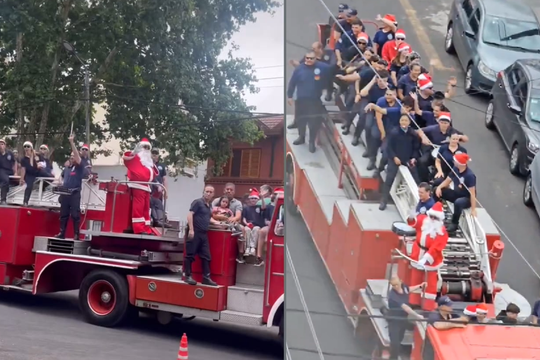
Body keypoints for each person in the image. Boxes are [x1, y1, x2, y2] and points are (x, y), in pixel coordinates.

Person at [287, 51, 332, 153]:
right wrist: (289, 96)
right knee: (300, 120)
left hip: (314, 101)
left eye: (311, 58)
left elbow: (330, 76)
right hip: (301, 100)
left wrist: (328, 91)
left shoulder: (323, 68)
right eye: (307, 58)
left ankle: (311, 142)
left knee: (313, 122)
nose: (308, 60)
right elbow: (292, 83)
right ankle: (301, 137)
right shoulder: (299, 69)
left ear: (315, 59)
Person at [406, 202, 449, 310]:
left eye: (435, 217)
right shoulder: (424, 220)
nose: (433, 219)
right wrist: (411, 217)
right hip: (417, 253)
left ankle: (427, 306)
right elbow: (414, 223)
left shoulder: (442, 232)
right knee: (415, 279)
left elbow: (436, 247)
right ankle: (413, 302)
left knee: (430, 284)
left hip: (432, 260)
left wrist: (426, 259)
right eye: (431, 216)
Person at [379, 114, 421, 211]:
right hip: (395, 159)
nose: (404, 122)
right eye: (402, 120)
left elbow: (416, 148)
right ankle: (383, 200)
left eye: (406, 121)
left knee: (416, 178)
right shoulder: (394, 132)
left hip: (407, 159)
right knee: (389, 178)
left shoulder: (413, 134)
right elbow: (389, 147)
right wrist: (394, 157)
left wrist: (413, 158)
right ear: (399, 121)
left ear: (409, 122)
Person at [122, 137, 159, 235]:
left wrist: (153, 162)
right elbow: (126, 158)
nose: (146, 149)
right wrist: (134, 152)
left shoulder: (148, 161)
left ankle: (146, 228)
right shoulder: (136, 157)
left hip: (147, 187)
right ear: (140, 147)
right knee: (138, 208)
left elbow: (154, 173)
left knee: (146, 209)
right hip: (138, 186)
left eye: (148, 147)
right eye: (144, 147)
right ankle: (139, 228)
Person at [185, 185, 218, 286]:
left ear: (213, 194)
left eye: (210, 192)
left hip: (204, 234)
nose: (208, 193)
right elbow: (190, 214)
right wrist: (191, 230)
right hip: (195, 231)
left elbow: (208, 218)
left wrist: (218, 223)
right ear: (203, 192)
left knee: (206, 256)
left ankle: (206, 278)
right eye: (207, 191)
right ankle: (188, 276)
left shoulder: (209, 206)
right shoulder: (198, 202)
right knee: (190, 255)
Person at [434, 153, 476, 233]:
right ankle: (434, 211)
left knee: (458, 203)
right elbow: (447, 180)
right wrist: (439, 188)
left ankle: (454, 223)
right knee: (437, 190)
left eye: (455, 161)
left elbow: (472, 194)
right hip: (457, 193)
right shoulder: (455, 169)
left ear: (460, 163)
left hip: (466, 198)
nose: (453, 161)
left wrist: (473, 210)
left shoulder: (470, 176)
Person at [386, 276, 424, 360]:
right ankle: (393, 358)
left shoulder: (404, 287)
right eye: (393, 285)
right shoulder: (393, 296)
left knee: (400, 338)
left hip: (403, 319)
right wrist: (417, 316)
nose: (396, 286)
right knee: (395, 342)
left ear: (401, 281)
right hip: (394, 321)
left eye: (397, 284)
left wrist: (420, 286)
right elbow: (406, 308)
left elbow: (408, 290)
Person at [55, 134, 84, 240]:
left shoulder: (80, 167)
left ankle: (76, 234)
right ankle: (62, 233)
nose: (72, 158)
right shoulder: (67, 168)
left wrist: (71, 142)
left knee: (75, 214)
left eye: (74, 156)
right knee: (63, 214)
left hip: (74, 193)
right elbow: (61, 177)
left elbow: (77, 155)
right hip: (65, 193)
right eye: (71, 156)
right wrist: (59, 182)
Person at [19, 141, 52, 206]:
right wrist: (22, 179)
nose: (26, 148)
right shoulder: (23, 159)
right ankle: (25, 202)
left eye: (28, 146)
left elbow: (40, 163)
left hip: (36, 171)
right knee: (29, 186)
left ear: (31, 148)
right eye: (25, 146)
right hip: (29, 174)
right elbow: (23, 169)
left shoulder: (36, 156)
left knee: (50, 177)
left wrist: (33, 154)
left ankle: (43, 188)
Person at [150, 148, 171, 228]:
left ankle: (160, 221)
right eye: (153, 153)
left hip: (159, 191)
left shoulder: (161, 166)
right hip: (150, 189)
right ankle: (156, 220)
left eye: (156, 154)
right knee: (152, 204)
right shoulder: (147, 164)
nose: (154, 155)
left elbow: (165, 179)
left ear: (158, 155)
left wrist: (166, 191)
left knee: (159, 204)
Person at [242, 189, 262, 259]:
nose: (253, 200)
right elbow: (244, 218)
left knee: (256, 230)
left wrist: (262, 198)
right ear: (249, 199)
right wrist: (246, 223)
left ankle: (253, 248)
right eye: (252, 198)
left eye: (255, 198)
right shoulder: (246, 208)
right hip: (248, 224)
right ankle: (247, 248)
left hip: (257, 225)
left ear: (257, 200)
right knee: (246, 230)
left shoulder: (260, 208)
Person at [0, 139, 16, 205]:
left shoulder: (10, 153)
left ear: (5, 145)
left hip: (9, 170)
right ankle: (3, 200)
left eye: (2, 144)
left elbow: (14, 162)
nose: (0, 146)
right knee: (5, 180)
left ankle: (7, 188)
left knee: (17, 180)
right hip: (2, 170)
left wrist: (16, 172)